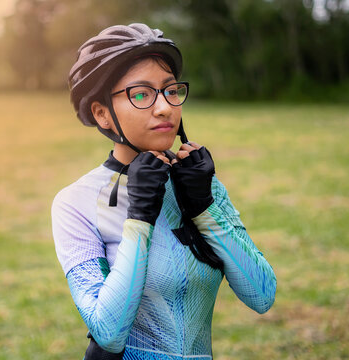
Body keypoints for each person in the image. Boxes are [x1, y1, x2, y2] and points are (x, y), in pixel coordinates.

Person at [51, 23, 277, 359]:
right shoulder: (76, 202)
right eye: (141, 94)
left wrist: (204, 208)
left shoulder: (199, 182)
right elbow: (108, 333)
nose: (164, 107)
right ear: (102, 114)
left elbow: (261, 295)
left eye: (170, 91)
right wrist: (139, 217)